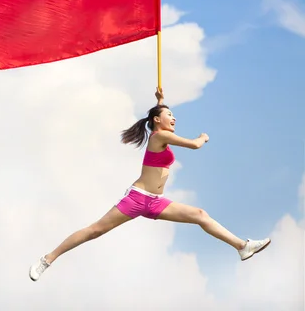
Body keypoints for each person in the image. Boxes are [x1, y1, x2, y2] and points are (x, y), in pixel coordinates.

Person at [29, 88, 271, 281]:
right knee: (96, 230)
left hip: (156, 203)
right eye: (169, 114)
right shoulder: (159, 136)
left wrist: (161, 100)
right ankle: (48, 259)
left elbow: (163, 118)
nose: (174, 117)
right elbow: (195, 145)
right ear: (157, 120)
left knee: (200, 214)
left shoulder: (160, 132)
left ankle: (242, 246)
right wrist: (203, 137)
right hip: (137, 198)